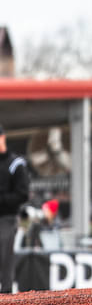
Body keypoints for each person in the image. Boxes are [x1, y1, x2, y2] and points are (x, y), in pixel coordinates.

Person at [0, 124, 29, 293]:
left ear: (2, 137)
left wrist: (3, 200)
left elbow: (22, 194)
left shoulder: (15, 163)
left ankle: (6, 294)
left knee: (5, 255)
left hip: (7, 217)